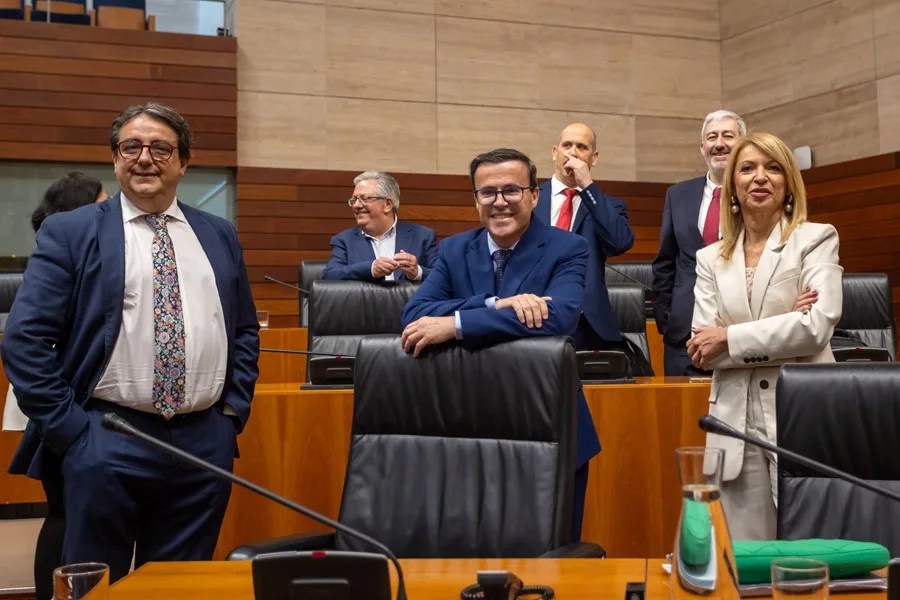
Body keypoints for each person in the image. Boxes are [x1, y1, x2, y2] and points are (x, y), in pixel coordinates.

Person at [1, 102, 260, 583]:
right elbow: (25, 340)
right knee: (98, 585)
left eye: (161, 147)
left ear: (184, 161)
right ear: (115, 159)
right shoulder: (72, 232)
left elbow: (243, 331)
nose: (145, 158)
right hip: (107, 437)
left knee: (180, 587)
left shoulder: (219, 235)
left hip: (203, 444)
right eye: (130, 147)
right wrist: (74, 432)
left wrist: (231, 414)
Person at [400, 148, 600, 542]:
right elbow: (415, 313)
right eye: (487, 192)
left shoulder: (567, 248)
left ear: (534, 195)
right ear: (476, 199)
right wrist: (496, 304)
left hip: (549, 424)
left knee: (551, 561)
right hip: (471, 428)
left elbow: (557, 317)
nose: (500, 202)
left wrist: (456, 324)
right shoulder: (455, 249)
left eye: (512, 190)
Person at [688, 131, 842, 540]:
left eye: (773, 167)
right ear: (732, 186)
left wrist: (731, 336)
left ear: (788, 182)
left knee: (812, 555)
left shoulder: (816, 238)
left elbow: (815, 327)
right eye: (748, 168)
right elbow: (703, 350)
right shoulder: (709, 258)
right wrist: (782, 324)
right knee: (746, 558)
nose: (760, 177)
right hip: (734, 428)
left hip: (801, 414)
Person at [1, 172, 107, 600]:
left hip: (61, 398)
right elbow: (28, 341)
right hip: (59, 399)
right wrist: (70, 423)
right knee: (65, 511)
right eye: (102, 202)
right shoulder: (64, 255)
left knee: (67, 511)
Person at [536, 123, 650, 375]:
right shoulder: (530, 199)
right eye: (567, 145)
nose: (573, 153)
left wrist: (586, 185)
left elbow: (620, 242)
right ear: (555, 152)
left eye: (582, 147)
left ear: (593, 157)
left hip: (588, 326)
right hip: (535, 318)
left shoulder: (606, 205)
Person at [652, 110, 746, 376]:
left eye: (728, 136)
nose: (719, 143)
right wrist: (666, 319)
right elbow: (665, 262)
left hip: (739, 330)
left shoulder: (756, 192)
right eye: (711, 137)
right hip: (683, 332)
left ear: (743, 144)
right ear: (702, 146)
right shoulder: (678, 195)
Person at [322, 171, 438, 282]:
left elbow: (443, 277)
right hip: (364, 303)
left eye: (365, 198)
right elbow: (329, 276)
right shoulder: (344, 240)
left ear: (387, 204)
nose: (356, 205)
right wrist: (371, 269)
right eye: (354, 200)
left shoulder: (422, 236)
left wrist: (417, 272)